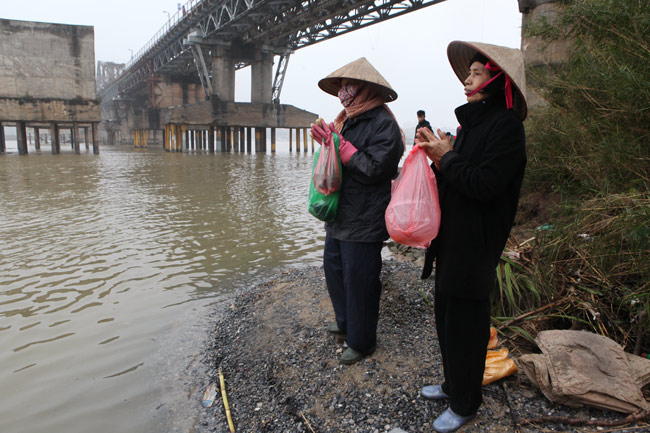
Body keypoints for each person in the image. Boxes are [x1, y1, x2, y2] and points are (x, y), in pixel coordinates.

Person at [415, 41, 528, 432]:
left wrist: (446, 157)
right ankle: (452, 385)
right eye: (469, 73)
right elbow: (455, 178)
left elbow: (483, 185)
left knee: (466, 324)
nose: (467, 78)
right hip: (451, 239)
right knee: (446, 318)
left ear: (497, 79)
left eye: (477, 72)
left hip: (477, 244)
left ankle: (465, 402)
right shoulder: (470, 125)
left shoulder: (507, 128)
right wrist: (433, 158)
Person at [310, 57, 404, 365]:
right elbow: (337, 159)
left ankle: (362, 341)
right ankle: (345, 321)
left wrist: (343, 149)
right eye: (341, 86)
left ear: (366, 89)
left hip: (365, 217)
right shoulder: (346, 119)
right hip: (340, 213)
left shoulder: (384, 124)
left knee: (360, 280)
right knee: (335, 271)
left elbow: (377, 168)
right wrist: (329, 142)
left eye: (349, 86)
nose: (343, 92)